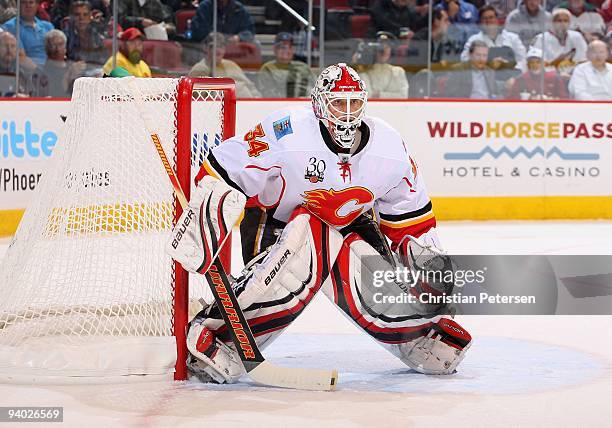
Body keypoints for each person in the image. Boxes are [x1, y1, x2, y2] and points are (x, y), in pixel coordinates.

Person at [167, 62, 472, 385]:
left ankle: (415, 336)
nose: (347, 112)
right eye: (339, 102)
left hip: (351, 222)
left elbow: (411, 221)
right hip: (275, 222)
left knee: (375, 281)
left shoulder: (389, 147)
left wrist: (429, 269)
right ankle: (221, 337)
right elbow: (224, 169)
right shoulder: (286, 131)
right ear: (319, 104)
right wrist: (207, 209)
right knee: (300, 255)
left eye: (354, 103)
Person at [189, 32, 260, 98]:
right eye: (214, 46)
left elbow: (251, 87)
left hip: (250, 105)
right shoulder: (200, 69)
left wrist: (258, 100)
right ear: (206, 48)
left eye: (221, 46)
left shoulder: (231, 64)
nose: (218, 50)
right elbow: (199, 99)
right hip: (224, 109)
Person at [461, 5, 527, 72]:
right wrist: (488, 65)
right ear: (480, 22)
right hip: (484, 76)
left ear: (497, 19)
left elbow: (523, 59)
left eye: (491, 17)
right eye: (484, 18)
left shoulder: (513, 38)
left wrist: (510, 67)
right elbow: (464, 59)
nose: (488, 21)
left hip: (511, 76)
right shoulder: (473, 40)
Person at [531, 8, 587, 73]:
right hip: (549, 76)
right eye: (559, 21)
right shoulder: (541, 38)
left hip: (574, 74)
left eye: (565, 21)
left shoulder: (577, 36)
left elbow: (584, 58)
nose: (562, 24)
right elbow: (535, 61)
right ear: (552, 22)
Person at [257, 32, 313, 98]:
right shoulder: (268, 68)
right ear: (275, 50)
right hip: (280, 106)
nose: (287, 50)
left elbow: (315, 87)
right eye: (283, 47)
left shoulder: (303, 67)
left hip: (305, 104)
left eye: (290, 47)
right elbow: (268, 95)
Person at [2, 0, 53, 67]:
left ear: (37, 5)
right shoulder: (10, 27)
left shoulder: (48, 26)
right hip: (29, 74)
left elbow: (57, 53)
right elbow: (21, 58)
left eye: (31, 2)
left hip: (52, 69)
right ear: (18, 5)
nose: (28, 6)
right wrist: (41, 73)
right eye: (23, 2)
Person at [358, 32, 409, 98]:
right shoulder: (364, 72)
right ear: (374, 50)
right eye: (380, 47)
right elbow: (367, 96)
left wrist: (379, 95)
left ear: (391, 50)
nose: (383, 50)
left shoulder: (398, 72)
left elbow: (403, 96)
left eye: (387, 47)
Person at [40, 29, 86, 97]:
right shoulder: (42, 72)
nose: (56, 49)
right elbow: (57, 96)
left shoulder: (73, 67)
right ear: (46, 49)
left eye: (60, 44)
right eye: (53, 45)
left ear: (65, 47)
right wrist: (68, 77)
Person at [63, 1, 107, 67]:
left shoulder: (97, 35)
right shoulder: (64, 37)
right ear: (71, 17)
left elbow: (103, 58)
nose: (81, 18)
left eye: (85, 15)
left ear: (90, 17)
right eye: (77, 15)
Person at [190, 0, 255, 43]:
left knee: (256, 44)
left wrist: (239, 37)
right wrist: (216, 37)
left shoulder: (239, 9)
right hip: (210, 46)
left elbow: (249, 31)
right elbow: (199, 31)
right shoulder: (205, 6)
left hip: (233, 46)